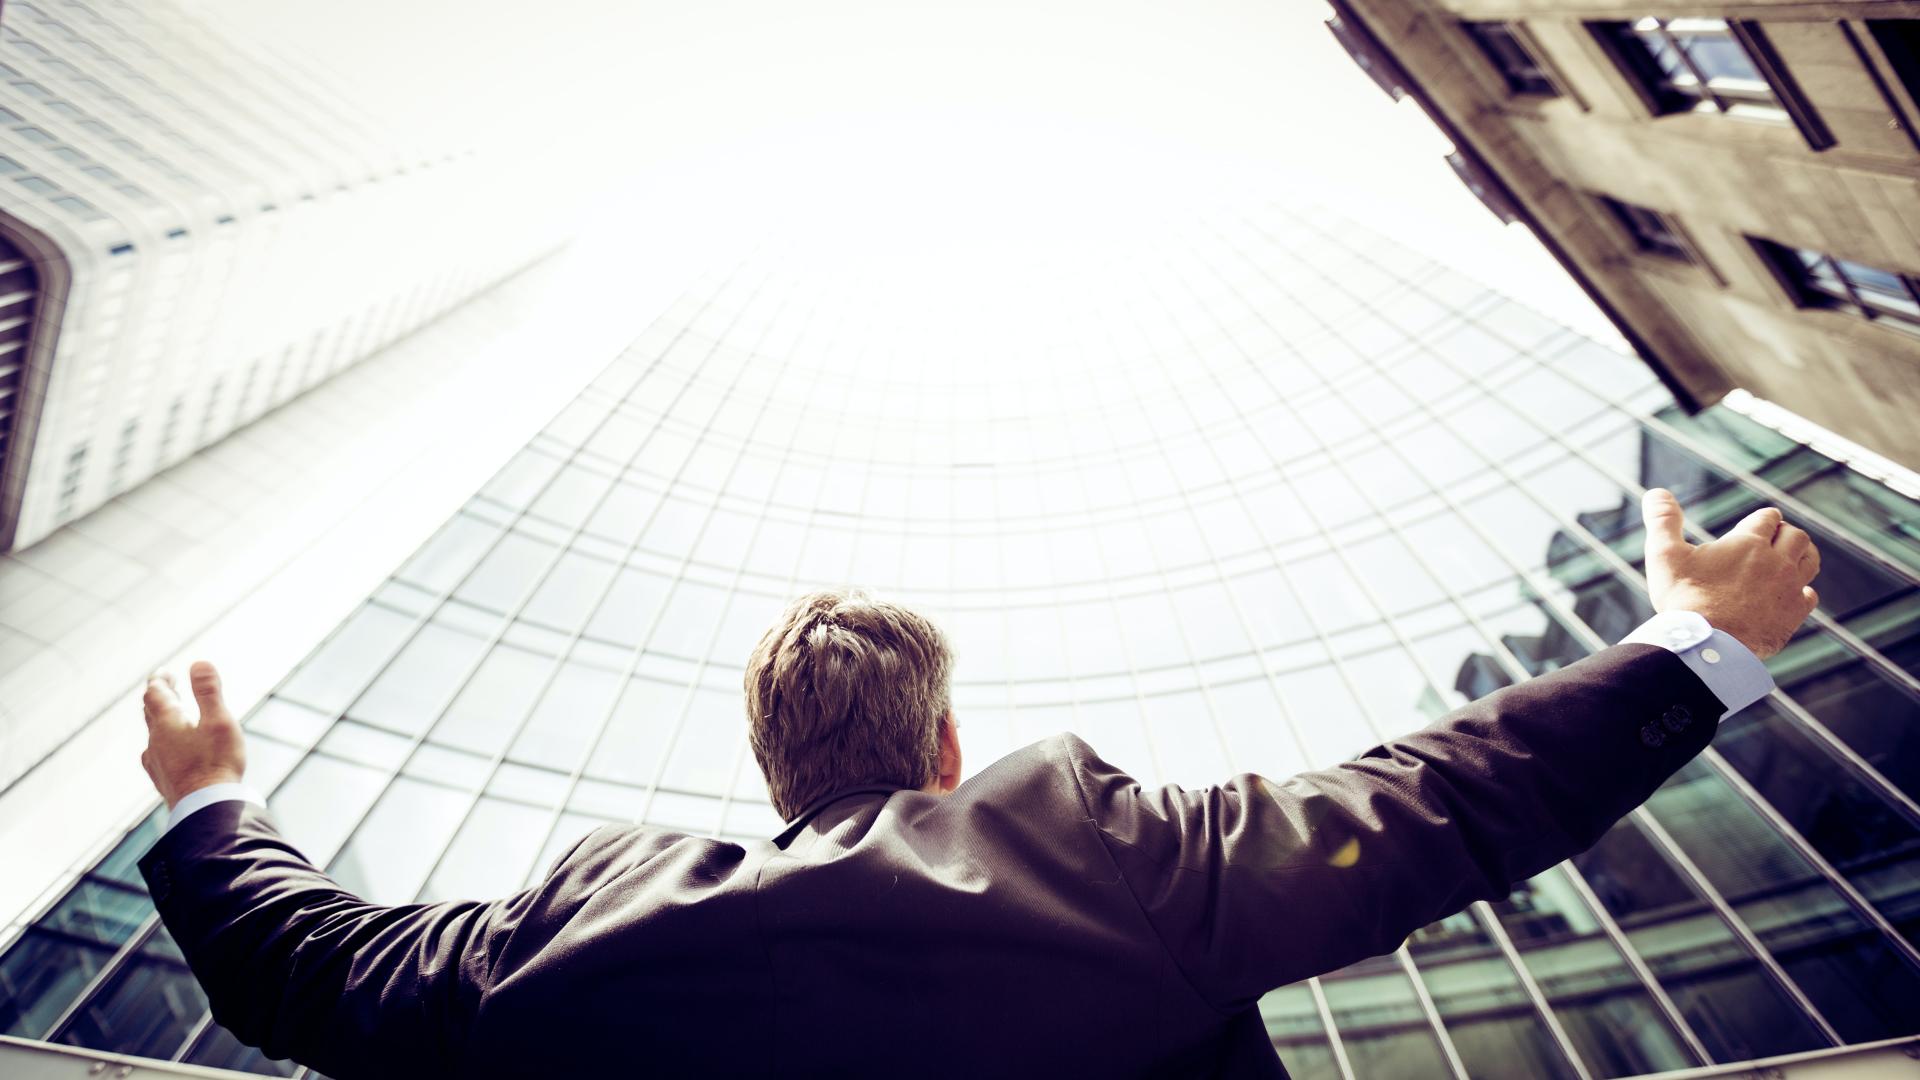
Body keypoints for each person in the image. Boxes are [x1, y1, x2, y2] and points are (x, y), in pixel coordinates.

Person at [136, 488, 1819, 1078]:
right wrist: (1692, 646)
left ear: (771, 776)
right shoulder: (1091, 857)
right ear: (945, 751)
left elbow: (305, 970)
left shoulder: (572, 937)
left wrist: (214, 797)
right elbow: (1434, 801)